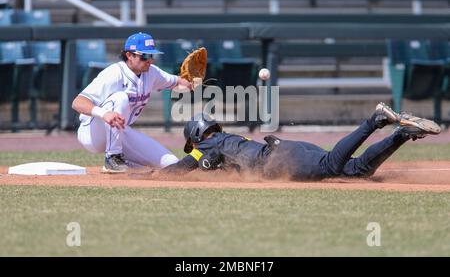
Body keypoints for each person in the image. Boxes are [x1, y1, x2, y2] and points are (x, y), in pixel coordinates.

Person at [161, 103, 441, 180]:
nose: (194, 149)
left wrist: (152, 175)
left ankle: (374, 121)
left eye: (193, 144)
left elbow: (182, 167)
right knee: (358, 171)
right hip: (288, 150)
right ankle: (401, 135)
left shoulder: (208, 145)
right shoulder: (224, 140)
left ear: (198, 137)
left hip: (281, 160)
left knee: (332, 165)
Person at [72, 32, 193, 173]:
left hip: (119, 132)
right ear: (129, 55)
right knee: (120, 98)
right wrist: (104, 113)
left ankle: (127, 163)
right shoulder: (114, 73)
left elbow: (177, 83)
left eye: (151, 55)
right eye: (145, 56)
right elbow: (77, 102)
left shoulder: (152, 72)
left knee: (171, 163)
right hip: (93, 132)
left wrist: (192, 81)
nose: (149, 60)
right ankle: (112, 158)